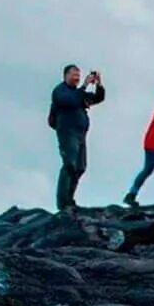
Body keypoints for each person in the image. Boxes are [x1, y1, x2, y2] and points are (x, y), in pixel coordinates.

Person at [48, 64, 106, 212]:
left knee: (80, 167)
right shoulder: (60, 91)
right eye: (74, 74)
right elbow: (70, 101)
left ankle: (70, 200)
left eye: (79, 75)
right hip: (67, 132)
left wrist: (98, 84)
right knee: (69, 164)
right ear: (66, 75)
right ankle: (63, 203)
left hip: (81, 134)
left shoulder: (79, 93)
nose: (77, 77)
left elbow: (98, 98)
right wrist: (84, 86)